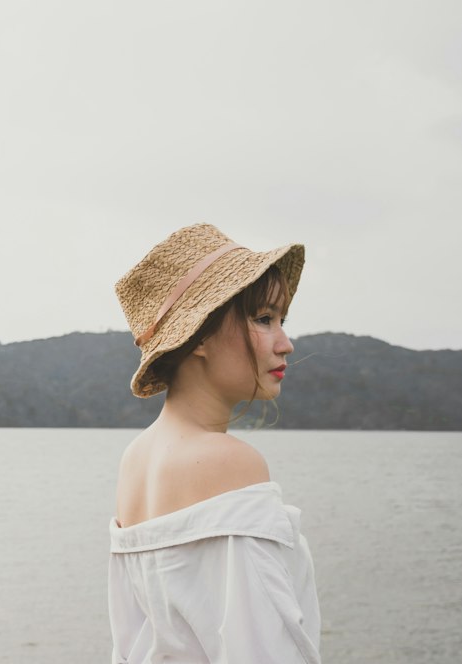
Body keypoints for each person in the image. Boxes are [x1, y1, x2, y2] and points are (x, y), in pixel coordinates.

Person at [109, 223, 322, 664]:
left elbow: (129, 644)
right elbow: (263, 651)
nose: (286, 343)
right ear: (199, 335)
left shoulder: (136, 458)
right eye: (263, 319)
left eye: (282, 320)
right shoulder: (228, 462)